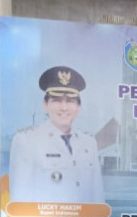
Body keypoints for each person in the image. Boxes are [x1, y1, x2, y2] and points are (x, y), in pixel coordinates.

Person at [9, 66, 104, 203]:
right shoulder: (26, 141)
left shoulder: (89, 143)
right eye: (57, 101)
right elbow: (20, 200)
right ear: (45, 105)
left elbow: (97, 198)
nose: (64, 108)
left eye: (70, 101)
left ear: (78, 107)